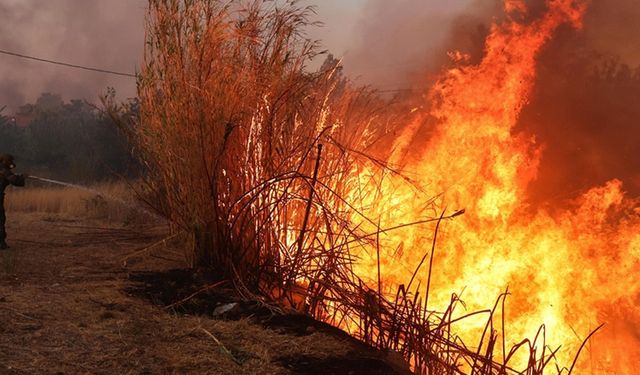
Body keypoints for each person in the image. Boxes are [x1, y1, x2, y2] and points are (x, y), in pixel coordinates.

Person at [0, 154, 26, 249]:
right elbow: (15, 181)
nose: (11, 164)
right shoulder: (3, 169)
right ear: (4, 161)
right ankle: (1, 244)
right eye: (9, 161)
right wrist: (22, 177)